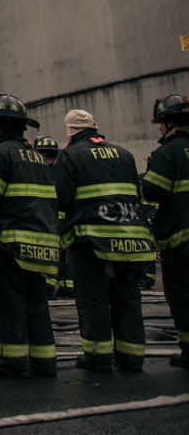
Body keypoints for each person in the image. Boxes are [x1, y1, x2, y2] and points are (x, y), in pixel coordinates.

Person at [56, 109, 154, 373]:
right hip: (131, 240)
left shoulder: (70, 155)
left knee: (94, 299)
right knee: (128, 299)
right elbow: (136, 194)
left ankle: (98, 357)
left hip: (92, 243)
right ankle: (132, 357)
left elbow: (62, 197)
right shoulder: (124, 155)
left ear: (70, 131)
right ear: (94, 127)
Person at [0, 94, 59, 379]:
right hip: (42, 242)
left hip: (9, 244)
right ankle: (44, 361)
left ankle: (12, 361)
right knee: (36, 304)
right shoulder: (35, 157)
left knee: (8, 303)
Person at [141, 94, 189, 369]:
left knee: (182, 296)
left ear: (169, 123)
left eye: (161, 123)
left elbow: (154, 190)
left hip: (181, 241)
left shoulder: (167, 152)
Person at [34, 136, 74, 297]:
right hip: (66, 220)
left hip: (48, 221)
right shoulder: (63, 169)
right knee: (66, 254)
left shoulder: (36, 172)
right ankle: (67, 285)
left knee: (51, 253)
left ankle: (50, 286)